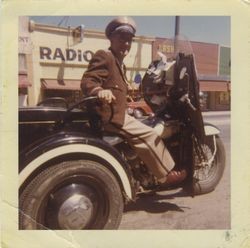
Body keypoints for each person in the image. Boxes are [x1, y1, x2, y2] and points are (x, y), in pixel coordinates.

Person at [81, 16, 186, 185]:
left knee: (146, 122)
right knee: (150, 134)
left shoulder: (119, 63)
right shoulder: (104, 56)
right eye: (122, 39)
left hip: (117, 113)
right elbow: (89, 80)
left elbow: (115, 88)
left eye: (129, 40)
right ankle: (165, 175)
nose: (126, 44)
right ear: (111, 38)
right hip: (111, 118)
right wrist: (99, 90)